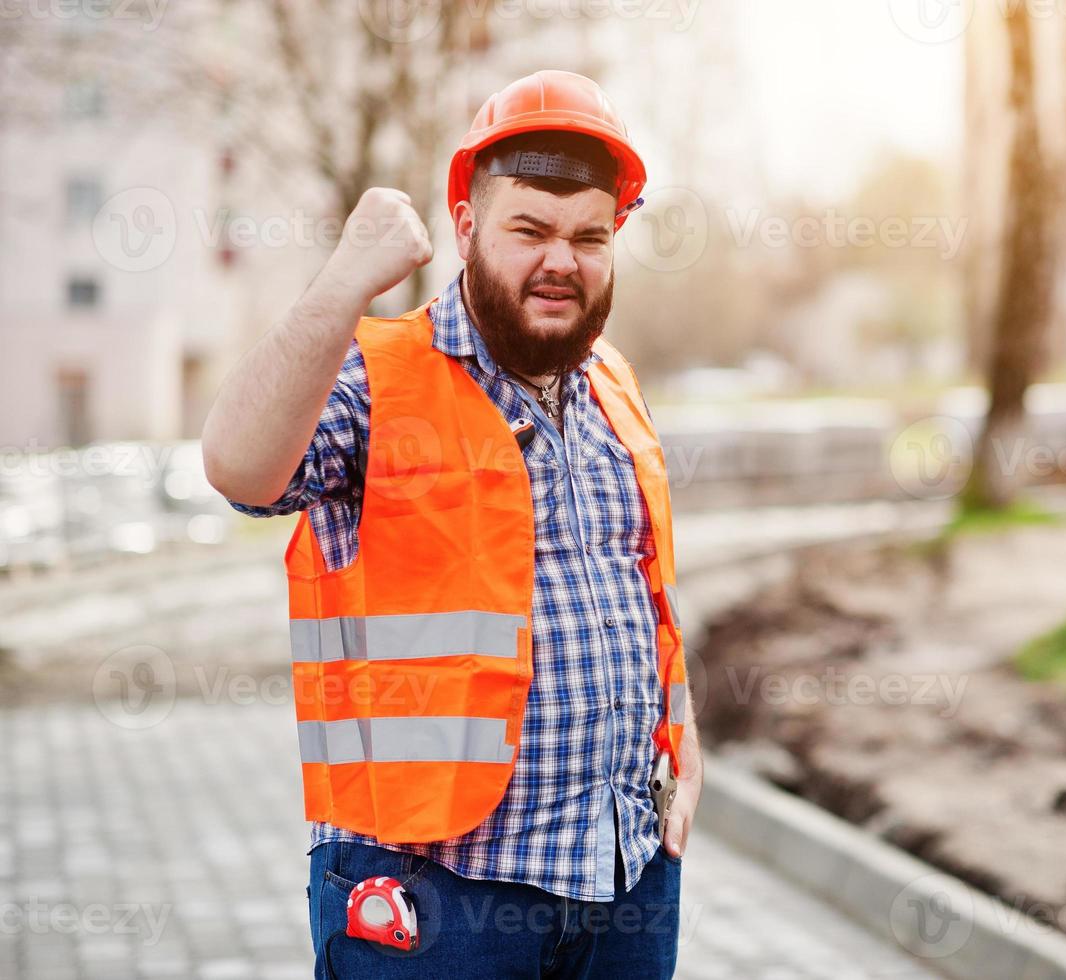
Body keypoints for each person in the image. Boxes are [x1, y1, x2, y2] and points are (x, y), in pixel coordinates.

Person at [201, 69, 700, 979]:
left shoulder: (614, 389)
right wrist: (344, 280)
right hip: (436, 897)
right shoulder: (379, 378)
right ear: (466, 227)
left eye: (590, 236)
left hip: (624, 882)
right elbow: (237, 467)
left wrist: (683, 737)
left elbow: (639, 588)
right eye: (530, 230)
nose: (562, 260)